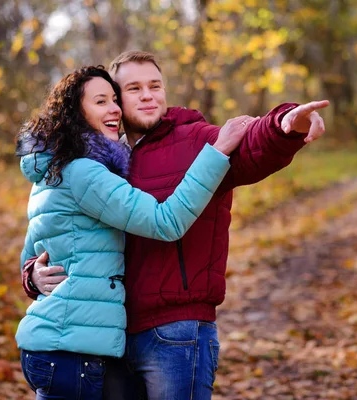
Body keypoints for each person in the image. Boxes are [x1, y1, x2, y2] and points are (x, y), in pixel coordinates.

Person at [23, 51, 329, 400]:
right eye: (134, 88)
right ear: (118, 102)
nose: (148, 95)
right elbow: (55, 236)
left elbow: (253, 144)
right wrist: (32, 274)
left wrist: (285, 124)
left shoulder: (196, 139)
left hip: (177, 330)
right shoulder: (102, 162)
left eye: (155, 85)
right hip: (112, 337)